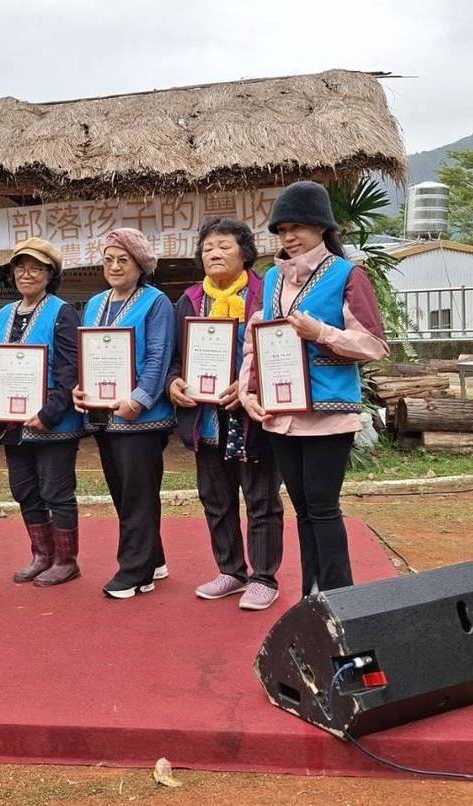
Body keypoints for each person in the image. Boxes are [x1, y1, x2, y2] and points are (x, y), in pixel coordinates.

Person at [239, 181, 389, 596]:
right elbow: (256, 339)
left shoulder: (347, 274)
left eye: (299, 226)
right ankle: (312, 594)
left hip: (327, 411)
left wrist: (319, 331)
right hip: (281, 413)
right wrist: (247, 390)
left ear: (322, 227)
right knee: (303, 510)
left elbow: (374, 344)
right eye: (282, 228)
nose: (289, 236)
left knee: (323, 508)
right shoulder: (270, 279)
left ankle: (342, 598)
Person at [167, 218, 284, 611]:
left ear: (245, 252)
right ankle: (231, 571)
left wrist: (251, 385)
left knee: (261, 497)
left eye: (224, 246)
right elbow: (174, 357)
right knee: (214, 496)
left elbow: (282, 349)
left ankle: (264, 577)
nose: (214, 254)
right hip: (206, 417)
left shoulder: (268, 291)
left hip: (251, 413)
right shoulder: (189, 299)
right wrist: (173, 384)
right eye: (207, 249)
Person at [73, 229, 176, 599]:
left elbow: (159, 356)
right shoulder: (96, 302)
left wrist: (140, 398)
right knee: (123, 492)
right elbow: (90, 355)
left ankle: (136, 572)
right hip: (103, 415)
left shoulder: (156, 301)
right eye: (108, 260)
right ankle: (154, 558)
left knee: (138, 494)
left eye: (123, 260)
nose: (114, 267)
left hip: (141, 418)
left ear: (141, 265)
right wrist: (80, 388)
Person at [0, 238, 83, 586]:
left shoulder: (62, 312)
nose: (27, 273)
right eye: (21, 267)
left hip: (53, 422)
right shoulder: (5, 314)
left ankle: (66, 560)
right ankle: (42, 554)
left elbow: (71, 369)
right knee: (24, 490)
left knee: (56, 491)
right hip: (12, 420)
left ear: (50, 274)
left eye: (36, 267)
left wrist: (50, 412)